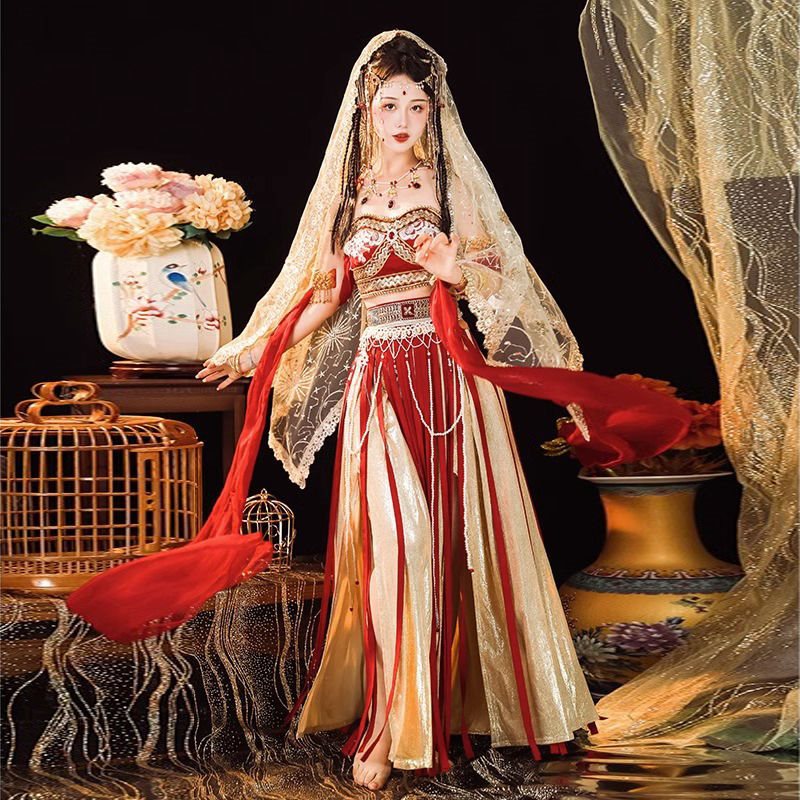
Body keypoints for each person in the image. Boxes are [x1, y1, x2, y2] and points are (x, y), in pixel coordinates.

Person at [67, 30, 692, 792]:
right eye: (389, 104)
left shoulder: (452, 187)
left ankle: (468, 708)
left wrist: (454, 268)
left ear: (434, 112)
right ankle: (390, 726)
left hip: (450, 386)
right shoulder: (347, 198)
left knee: (459, 547)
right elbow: (325, 300)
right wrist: (251, 348)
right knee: (397, 550)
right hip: (380, 384)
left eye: (416, 106)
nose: (403, 119)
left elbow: (503, 277)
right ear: (366, 109)